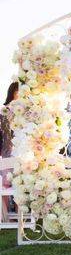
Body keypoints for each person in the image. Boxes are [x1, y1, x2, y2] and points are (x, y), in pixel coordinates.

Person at [1, 82, 18, 219]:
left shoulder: (28, 111)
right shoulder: (4, 111)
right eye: (18, 91)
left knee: (21, 185)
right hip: (7, 151)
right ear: (12, 92)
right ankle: (6, 217)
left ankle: (20, 216)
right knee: (6, 184)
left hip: (22, 152)